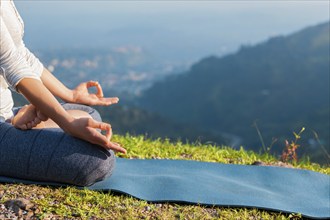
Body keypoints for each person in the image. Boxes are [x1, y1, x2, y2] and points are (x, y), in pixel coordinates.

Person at [0, 0, 126, 186]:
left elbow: (19, 53)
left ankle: (16, 124)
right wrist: (68, 123)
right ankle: (17, 127)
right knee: (95, 161)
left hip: (4, 113)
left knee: (88, 114)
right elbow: (11, 65)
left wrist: (70, 95)